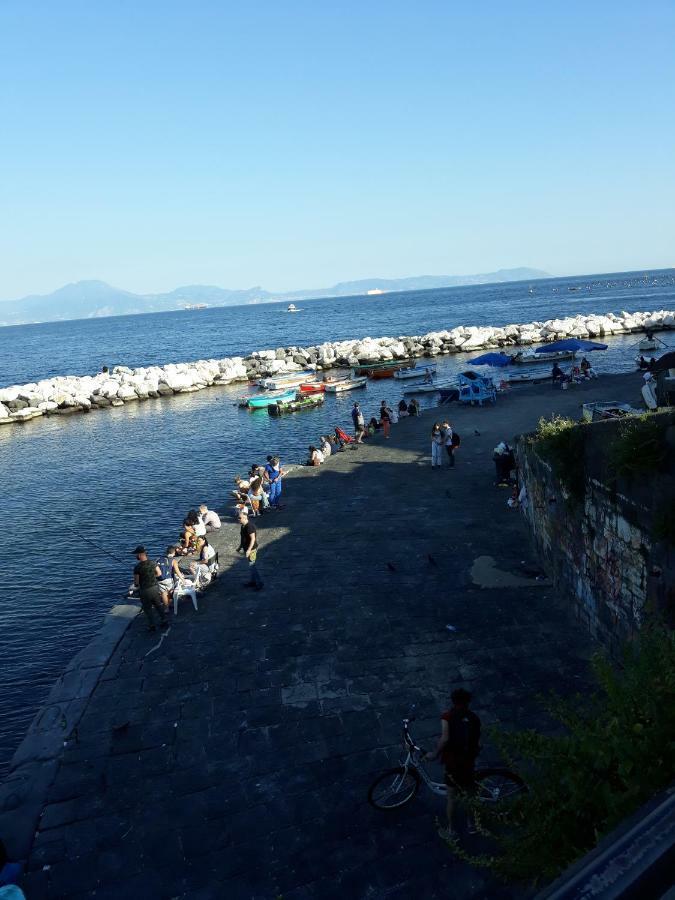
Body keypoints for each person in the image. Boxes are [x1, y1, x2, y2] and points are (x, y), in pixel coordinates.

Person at [426, 688, 481, 838]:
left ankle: (451, 830)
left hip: (454, 763)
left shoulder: (447, 717)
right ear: (468, 701)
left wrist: (434, 754)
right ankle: (472, 824)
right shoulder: (475, 718)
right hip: (468, 762)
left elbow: (445, 739)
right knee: (471, 794)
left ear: (453, 700)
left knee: (451, 797)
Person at [132, 546, 169, 631]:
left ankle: (152, 625)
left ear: (140, 555)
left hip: (145, 590)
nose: (136, 556)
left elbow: (136, 583)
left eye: (137, 554)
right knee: (158, 605)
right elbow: (159, 573)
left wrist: (138, 583)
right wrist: (151, 576)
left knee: (147, 608)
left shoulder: (137, 567)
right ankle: (164, 620)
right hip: (155, 588)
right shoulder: (153, 563)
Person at [237, 508, 263, 590]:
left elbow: (253, 539)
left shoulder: (249, 527)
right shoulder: (243, 526)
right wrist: (240, 546)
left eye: (239, 518)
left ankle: (259, 583)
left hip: (251, 549)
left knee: (252, 566)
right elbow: (243, 537)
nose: (238, 519)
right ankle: (253, 581)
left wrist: (248, 550)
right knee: (251, 566)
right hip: (247, 548)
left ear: (245, 518)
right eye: (238, 517)